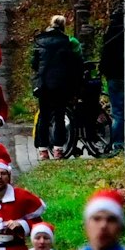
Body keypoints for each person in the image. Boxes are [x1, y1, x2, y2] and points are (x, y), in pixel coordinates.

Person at [28, 15, 82, 160]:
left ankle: (43, 151)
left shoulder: (39, 41)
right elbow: (75, 63)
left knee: (44, 116)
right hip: (61, 85)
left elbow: (34, 63)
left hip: (43, 84)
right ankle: (58, 150)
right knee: (59, 116)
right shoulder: (68, 42)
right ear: (63, 27)